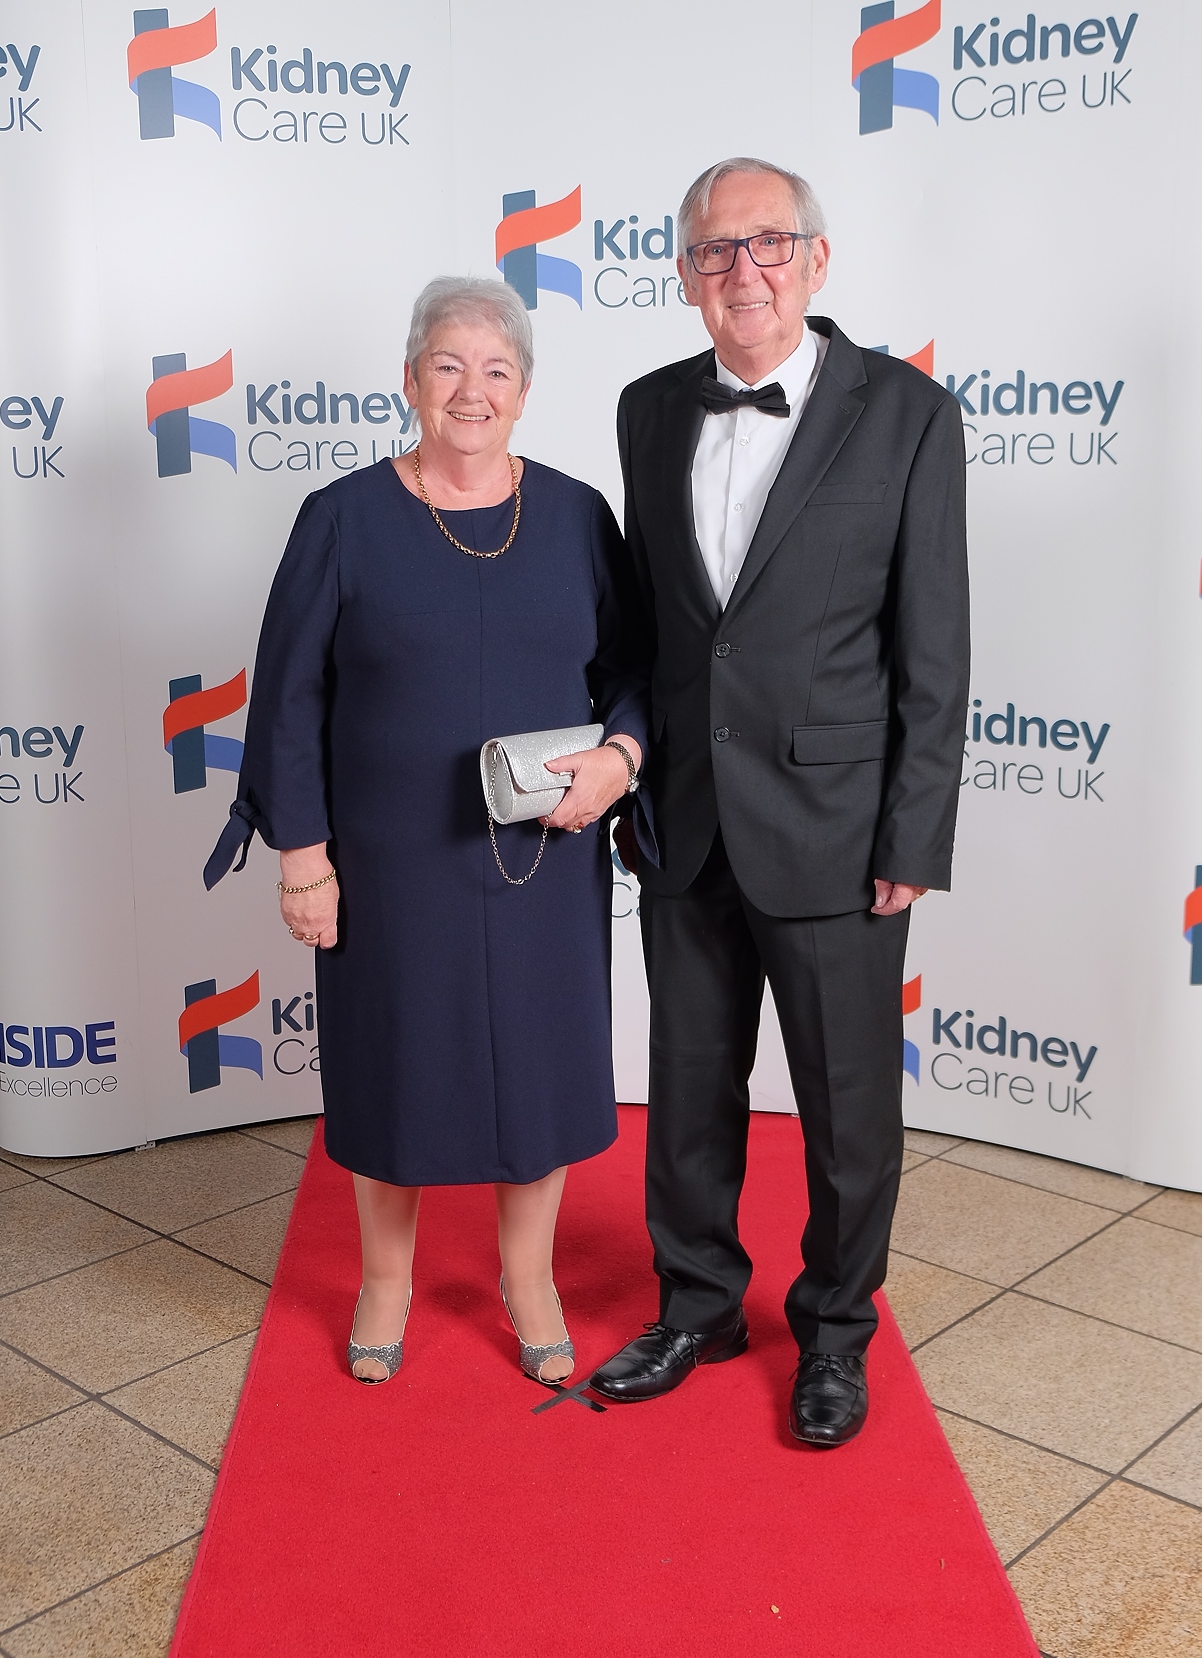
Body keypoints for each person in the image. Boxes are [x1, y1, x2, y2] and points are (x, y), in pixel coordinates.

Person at [206, 276, 647, 1388]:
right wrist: (302, 859)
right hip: (392, 863)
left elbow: (636, 673)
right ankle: (386, 1282)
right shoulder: (343, 519)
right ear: (409, 383)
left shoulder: (575, 514)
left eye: (495, 370)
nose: (470, 390)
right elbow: (289, 697)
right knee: (393, 1068)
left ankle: (528, 1280)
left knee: (538, 1071)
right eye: (447, 366)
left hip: (545, 854)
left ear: (525, 392)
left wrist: (619, 759)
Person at [589, 158, 970, 1446]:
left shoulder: (909, 412)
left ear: (814, 259)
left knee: (845, 1111)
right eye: (712, 251)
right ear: (686, 273)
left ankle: (834, 1335)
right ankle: (696, 1305)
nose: (740, 271)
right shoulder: (645, 410)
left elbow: (934, 645)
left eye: (766, 245)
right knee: (686, 1092)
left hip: (837, 829)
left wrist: (912, 834)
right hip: (684, 823)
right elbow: (649, 626)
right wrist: (628, 772)